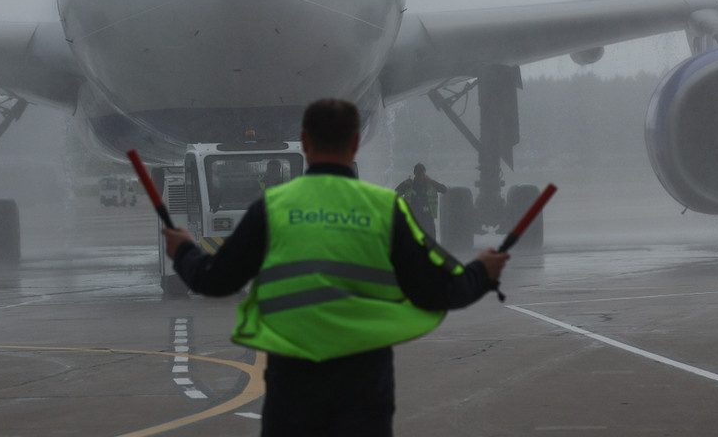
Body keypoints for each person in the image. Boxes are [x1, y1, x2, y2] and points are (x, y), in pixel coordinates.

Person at [163, 99, 508, 437]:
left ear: (306, 142)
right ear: (356, 143)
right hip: (363, 389)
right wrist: (482, 271)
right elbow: (437, 290)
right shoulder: (384, 208)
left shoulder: (273, 208)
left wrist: (183, 251)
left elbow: (214, 281)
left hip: (293, 388)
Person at [394, 161, 448, 240]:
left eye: (422, 174)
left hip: (427, 219)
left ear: (424, 173)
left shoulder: (430, 184)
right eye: (418, 174)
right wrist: (404, 184)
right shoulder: (409, 185)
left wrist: (432, 181)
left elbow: (444, 190)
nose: (420, 176)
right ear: (415, 174)